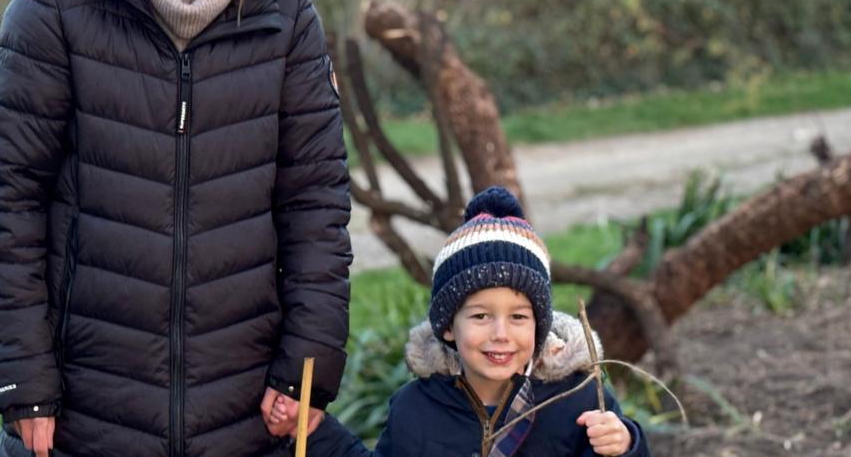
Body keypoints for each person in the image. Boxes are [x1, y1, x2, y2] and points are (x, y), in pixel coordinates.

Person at [0, 0, 352, 455]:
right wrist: (24, 382)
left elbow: (316, 205)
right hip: (86, 413)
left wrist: (307, 369)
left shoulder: (288, 18)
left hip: (243, 413)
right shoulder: (53, 5)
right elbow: (8, 205)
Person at [271, 187, 650, 457]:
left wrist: (626, 444)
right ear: (448, 326)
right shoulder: (417, 408)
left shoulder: (578, 399)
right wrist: (316, 432)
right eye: (481, 315)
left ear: (539, 324)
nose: (500, 334)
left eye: (519, 317)